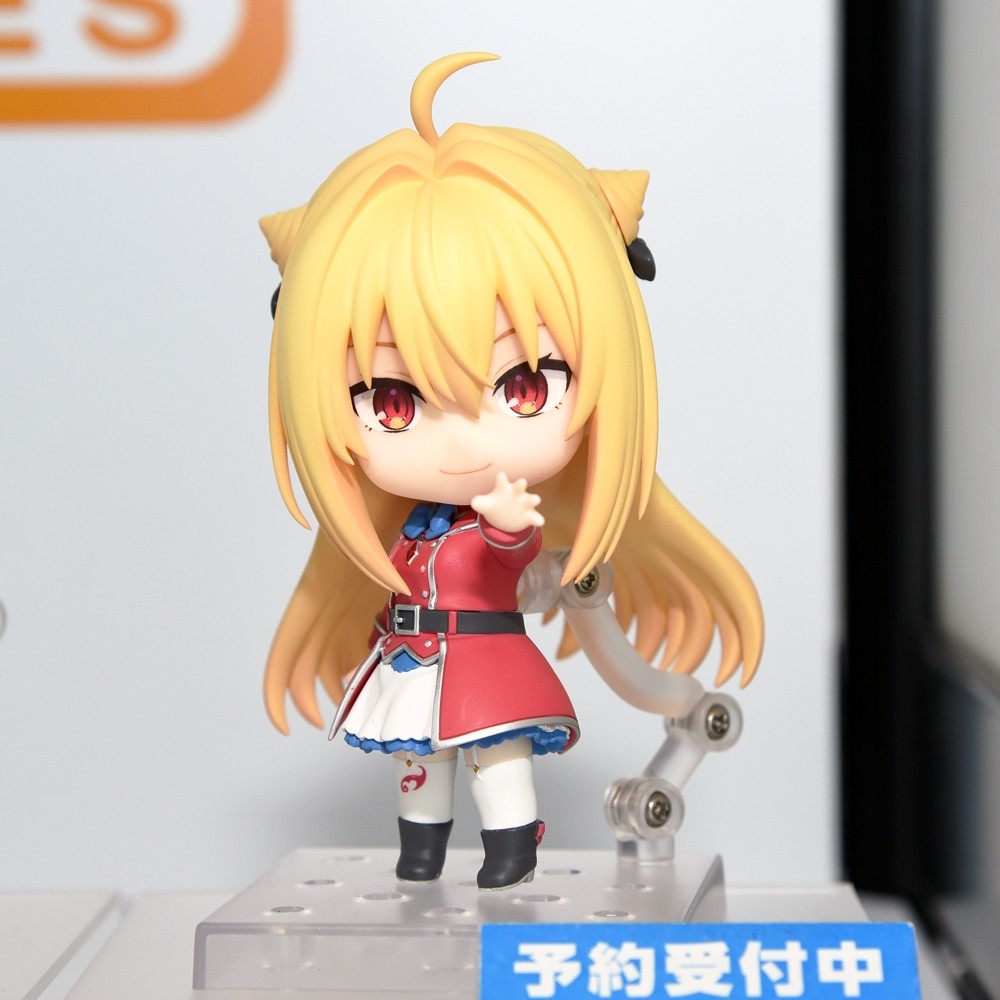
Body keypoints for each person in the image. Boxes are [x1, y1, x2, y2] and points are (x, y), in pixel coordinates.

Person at [260, 52, 763, 890]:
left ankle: (509, 849)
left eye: (522, 387)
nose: (462, 442)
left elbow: (512, 563)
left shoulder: (503, 519)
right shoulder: (406, 533)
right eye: (392, 401)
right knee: (418, 761)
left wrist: (502, 530)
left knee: (498, 755)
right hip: (413, 655)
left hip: (486, 658)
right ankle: (422, 849)